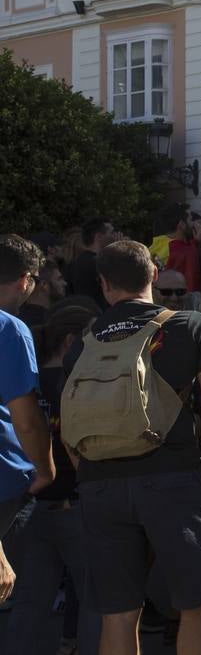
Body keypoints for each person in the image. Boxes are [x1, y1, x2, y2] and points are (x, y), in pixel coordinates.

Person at [62, 239, 201, 655]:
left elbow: (68, 424)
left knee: (118, 616)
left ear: (104, 284)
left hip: (100, 484)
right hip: (171, 479)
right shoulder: (190, 326)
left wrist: (92, 474)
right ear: (154, 275)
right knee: (197, 605)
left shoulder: (82, 341)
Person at [5, 303, 100, 655]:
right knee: (95, 602)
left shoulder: (22, 382)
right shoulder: (79, 383)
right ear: (72, 340)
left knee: (29, 603)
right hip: (75, 504)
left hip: (29, 505)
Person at [0, 235, 57, 592]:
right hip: (7, 478)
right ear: (26, 280)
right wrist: (46, 467)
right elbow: (26, 418)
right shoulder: (10, 329)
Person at [150, 203, 201, 296]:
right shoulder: (186, 251)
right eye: (191, 220)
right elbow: (191, 288)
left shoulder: (154, 246)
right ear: (181, 225)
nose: (194, 224)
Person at [66, 218, 116, 309]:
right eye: (111, 233)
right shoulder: (100, 264)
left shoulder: (73, 264)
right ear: (99, 236)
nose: (114, 237)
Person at [17, 260, 65, 329]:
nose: (65, 283)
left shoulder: (17, 316)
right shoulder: (48, 323)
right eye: (59, 279)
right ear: (44, 284)